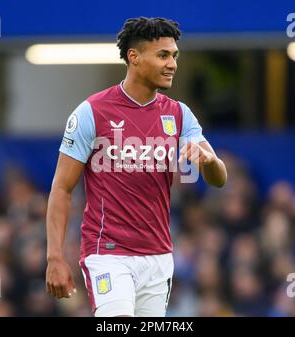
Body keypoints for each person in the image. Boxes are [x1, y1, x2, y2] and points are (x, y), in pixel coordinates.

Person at [46, 17, 227, 317]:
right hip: (108, 254)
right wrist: (54, 256)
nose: (173, 64)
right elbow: (61, 188)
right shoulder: (92, 112)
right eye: (163, 55)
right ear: (134, 57)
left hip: (158, 256)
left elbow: (219, 179)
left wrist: (211, 160)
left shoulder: (180, 115)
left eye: (174, 56)